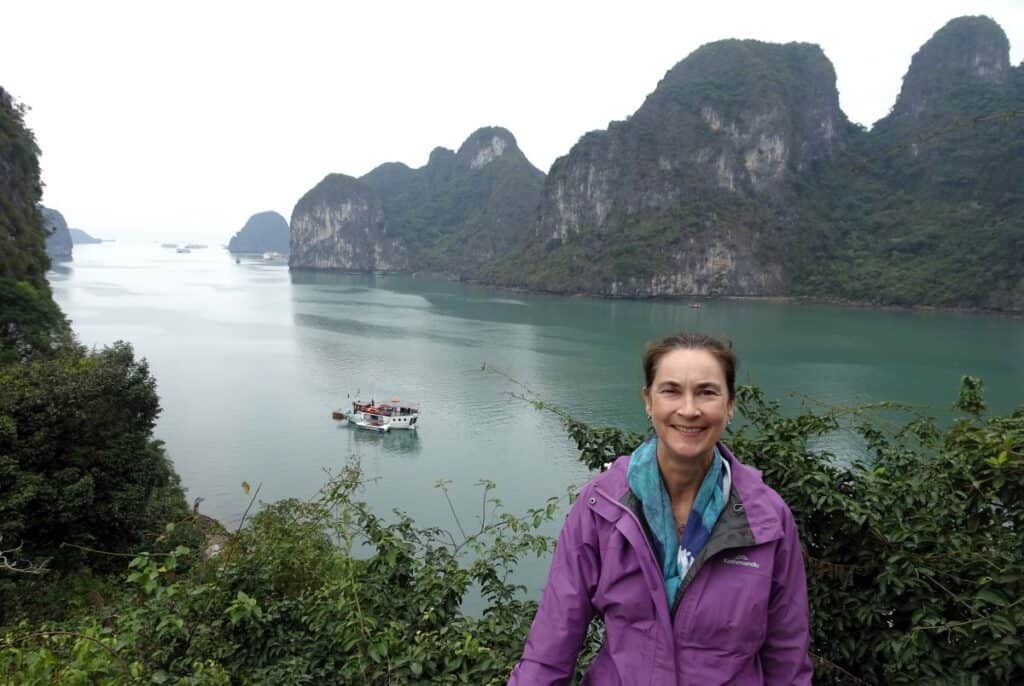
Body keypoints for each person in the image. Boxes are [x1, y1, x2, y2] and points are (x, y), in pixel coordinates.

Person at [509, 332, 812, 685]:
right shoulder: (603, 508)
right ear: (648, 401)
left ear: (730, 405)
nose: (688, 410)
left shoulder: (767, 520)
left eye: (707, 392)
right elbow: (551, 647)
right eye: (671, 390)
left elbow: (787, 658)